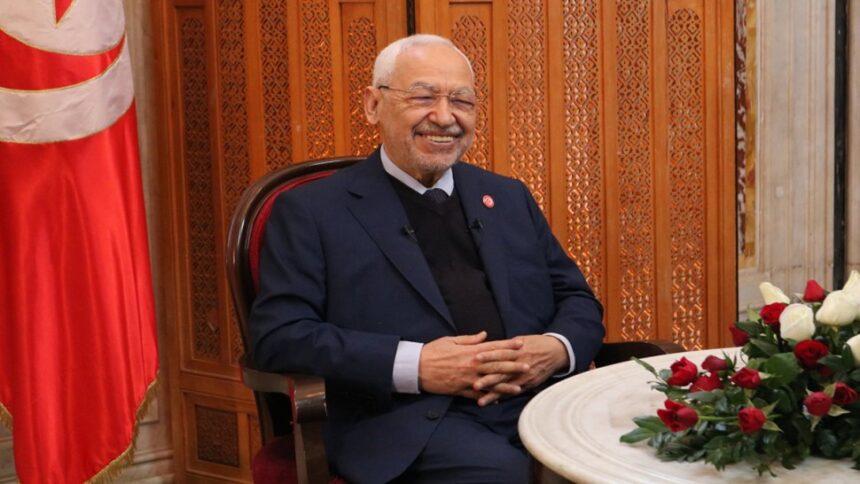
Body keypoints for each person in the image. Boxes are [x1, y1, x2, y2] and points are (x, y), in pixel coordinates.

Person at [250, 34, 604, 484]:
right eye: (422, 97)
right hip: (407, 421)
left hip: (537, 401)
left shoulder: (507, 196)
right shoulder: (311, 211)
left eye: (461, 101)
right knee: (512, 476)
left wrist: (554, 350)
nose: (444, 116)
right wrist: (416, 366)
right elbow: (280, 336)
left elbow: (577, 299)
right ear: (373, 105)